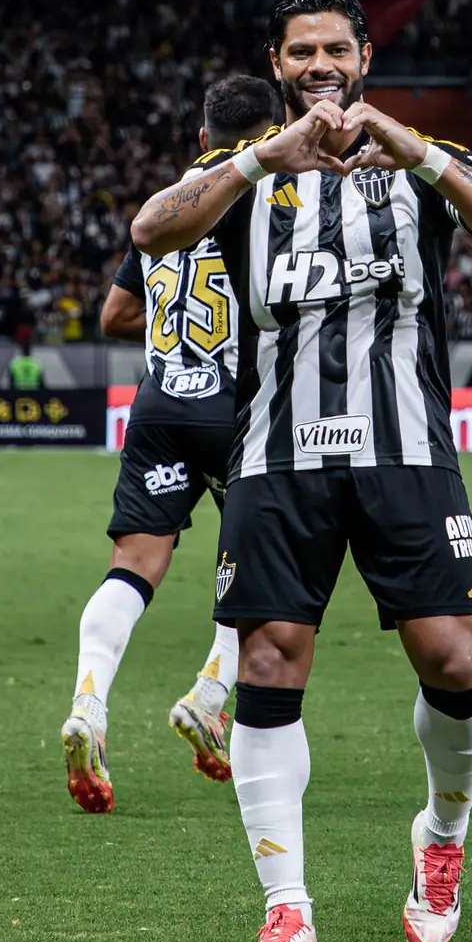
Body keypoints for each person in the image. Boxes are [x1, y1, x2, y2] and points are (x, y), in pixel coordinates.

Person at [130, 0, 472, 942]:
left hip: (406, 449)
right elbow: (150, 230)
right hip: (275, 457)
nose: (318, 66)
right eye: (299, 52)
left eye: (334, 49)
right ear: (275, 66)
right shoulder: (244, 169)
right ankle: (286, 910)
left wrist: (417, 149)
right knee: (269, 662)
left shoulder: (420, 160)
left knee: (453, 658)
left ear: (364, 57)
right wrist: (256, 156)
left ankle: (441, 838)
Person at [60, 75, 282, 811]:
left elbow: (115, 315)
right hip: (241, 403)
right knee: (266, 565)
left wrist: (173, 324)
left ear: (202, 138)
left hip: (162, 400)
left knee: (133, 564)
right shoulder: (271, 195)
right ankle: (210, 695)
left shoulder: (169, 202)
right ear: (277, 133)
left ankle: (89, 704)